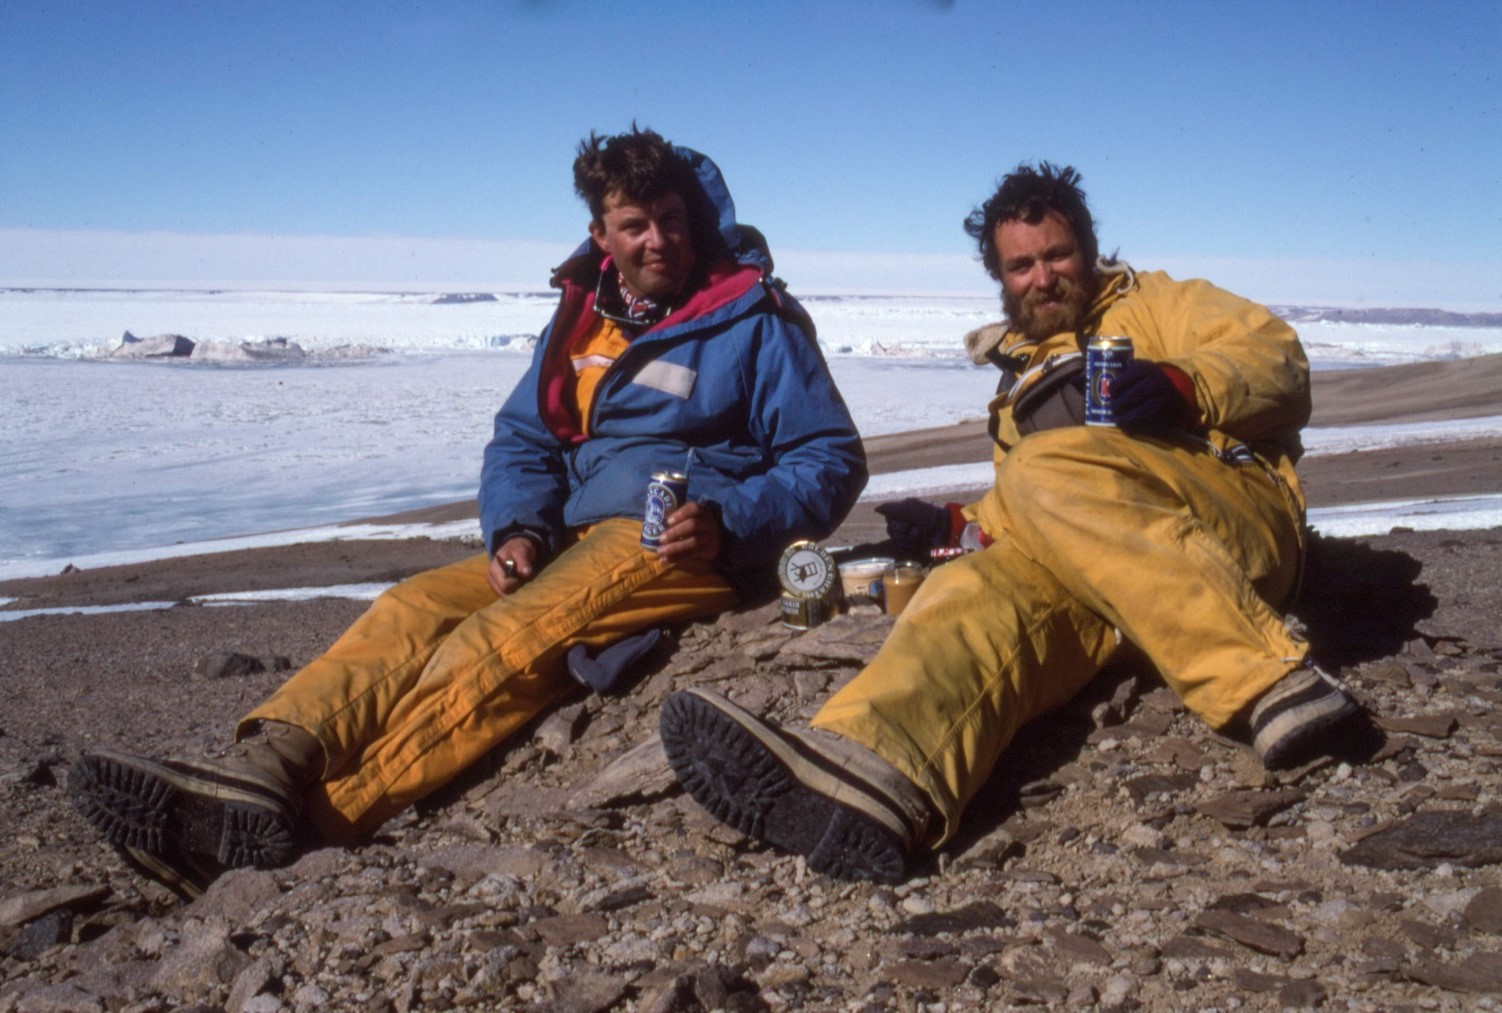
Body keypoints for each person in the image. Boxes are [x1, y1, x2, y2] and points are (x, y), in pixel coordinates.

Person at [69, 127, 867, 897]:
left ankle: (311, 823)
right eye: (635, 224)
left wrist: (730, 515)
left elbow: (830, 457)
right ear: (602, 231)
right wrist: (518, 527)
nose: (658, 239)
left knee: (503, 643)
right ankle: (265, 768)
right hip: (569, 533)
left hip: (677, 542)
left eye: (671, 220)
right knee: (410, 607)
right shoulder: (583, 316)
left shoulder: (752, 318)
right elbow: (524, 437)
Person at [660, 162, 1365, 883]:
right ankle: (874, 770)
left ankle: (1267, 681)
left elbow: (1278, 360)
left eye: (1057, 255)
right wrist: (960, 521)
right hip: (1120, 574)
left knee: (1041, 468)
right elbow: (1046, 507)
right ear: (1000, 277)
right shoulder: (1020, 381)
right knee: (974, 590)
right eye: (1021, 265)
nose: (1043, 276)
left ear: (1088, 250)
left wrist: (1185, 387)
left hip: (1229, 520)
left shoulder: (1162, 303)